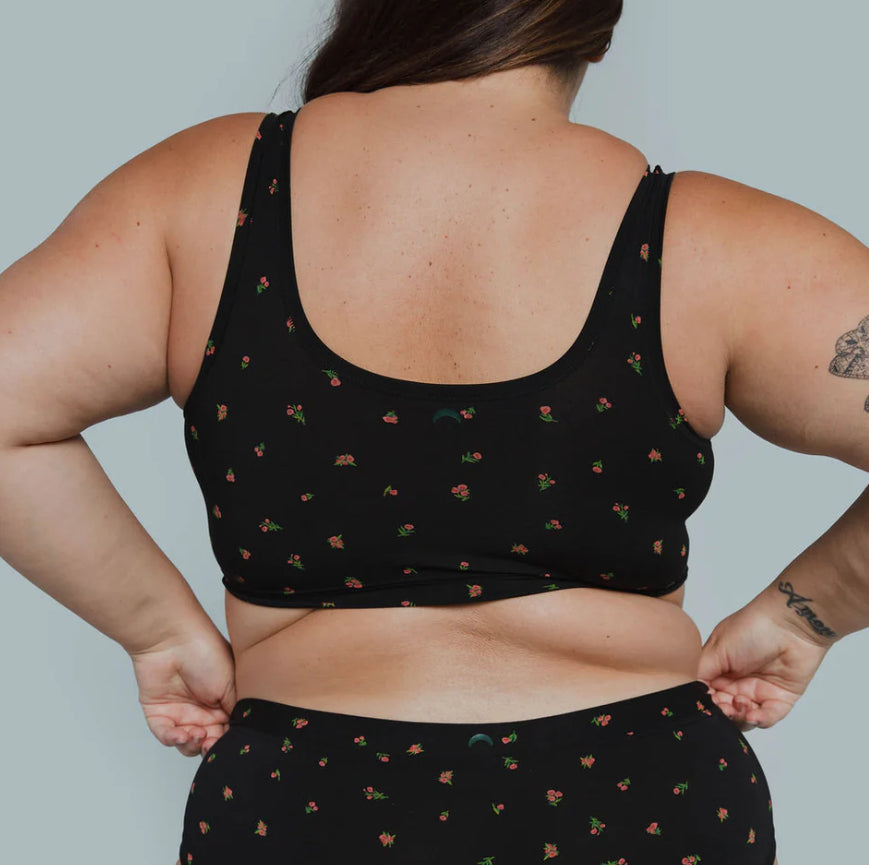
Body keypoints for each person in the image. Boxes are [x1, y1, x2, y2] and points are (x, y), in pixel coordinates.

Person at [2, 1, 867, 863]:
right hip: (642, 799)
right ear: (594, 23)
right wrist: (805, 616)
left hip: (305, 803)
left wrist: (158, 630)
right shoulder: (707, 238)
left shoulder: (208, 194)